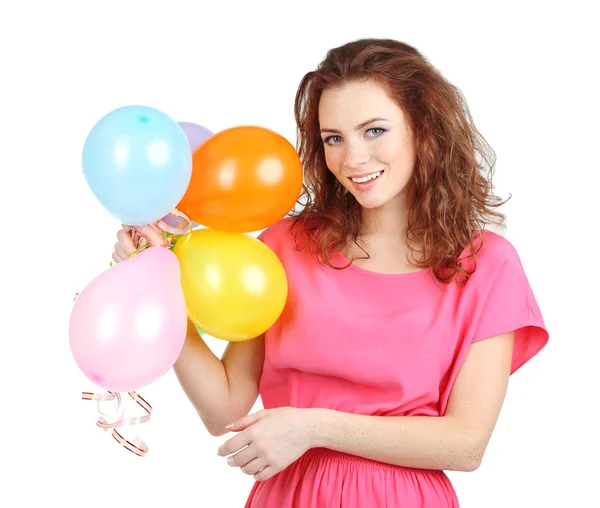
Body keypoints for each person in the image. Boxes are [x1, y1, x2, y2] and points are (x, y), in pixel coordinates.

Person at [112, 38, 549, 508]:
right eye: (333, 138)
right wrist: (160, 284)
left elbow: (466, 445)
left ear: (424, 128)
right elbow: (224, 410)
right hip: (288, 495)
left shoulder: (487, 265)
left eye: (374, 131)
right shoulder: (286, 246)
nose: (352, 159)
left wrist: (314, 427)